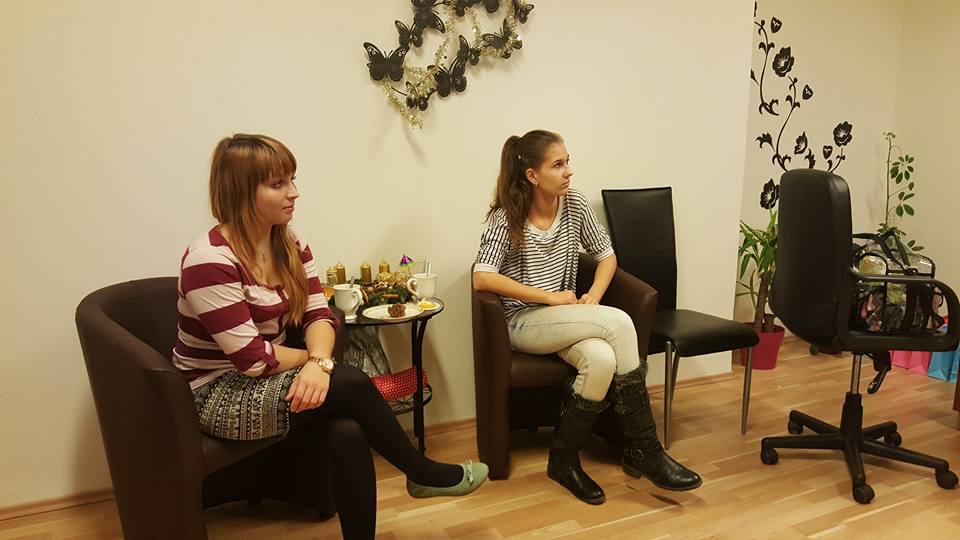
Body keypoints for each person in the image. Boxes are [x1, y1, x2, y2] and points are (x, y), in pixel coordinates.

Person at [173, 134, 487, 539]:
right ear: (241, 191)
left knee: (348, 430)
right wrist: (316, 362)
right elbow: (251, 358)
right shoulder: (208, 260)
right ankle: (421, 471)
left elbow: (319, 314)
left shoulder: (289, 241)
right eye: (278, 184)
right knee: (351, 380)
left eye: (292, 180)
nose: (294, 193)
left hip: (271, 374)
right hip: (215, 393)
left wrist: (320, 364)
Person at [472, 130, 701, 505]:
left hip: (566, 317)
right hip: (521, 322)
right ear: (532, 175)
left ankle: (563, 459)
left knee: (602, 359)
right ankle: (645, 448)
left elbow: (607, 256)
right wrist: (548, 297)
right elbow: (483, 277)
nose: (568, 171)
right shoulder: (506, 216)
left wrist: (592, 296)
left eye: (568, 162)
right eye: (558, 165)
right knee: (619, 323)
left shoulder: (575, 204)